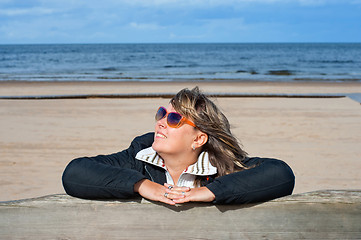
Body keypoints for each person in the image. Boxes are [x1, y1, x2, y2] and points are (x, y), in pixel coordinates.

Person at [62, 87, 295, 205]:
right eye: (162, 113)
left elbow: (281, 174)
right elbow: (74, 173)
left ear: (198, 139)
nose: (161, 122)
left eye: (174, 119)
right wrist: (142, 185)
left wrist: (206, 192)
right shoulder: (138, 156)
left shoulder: (221, 167)